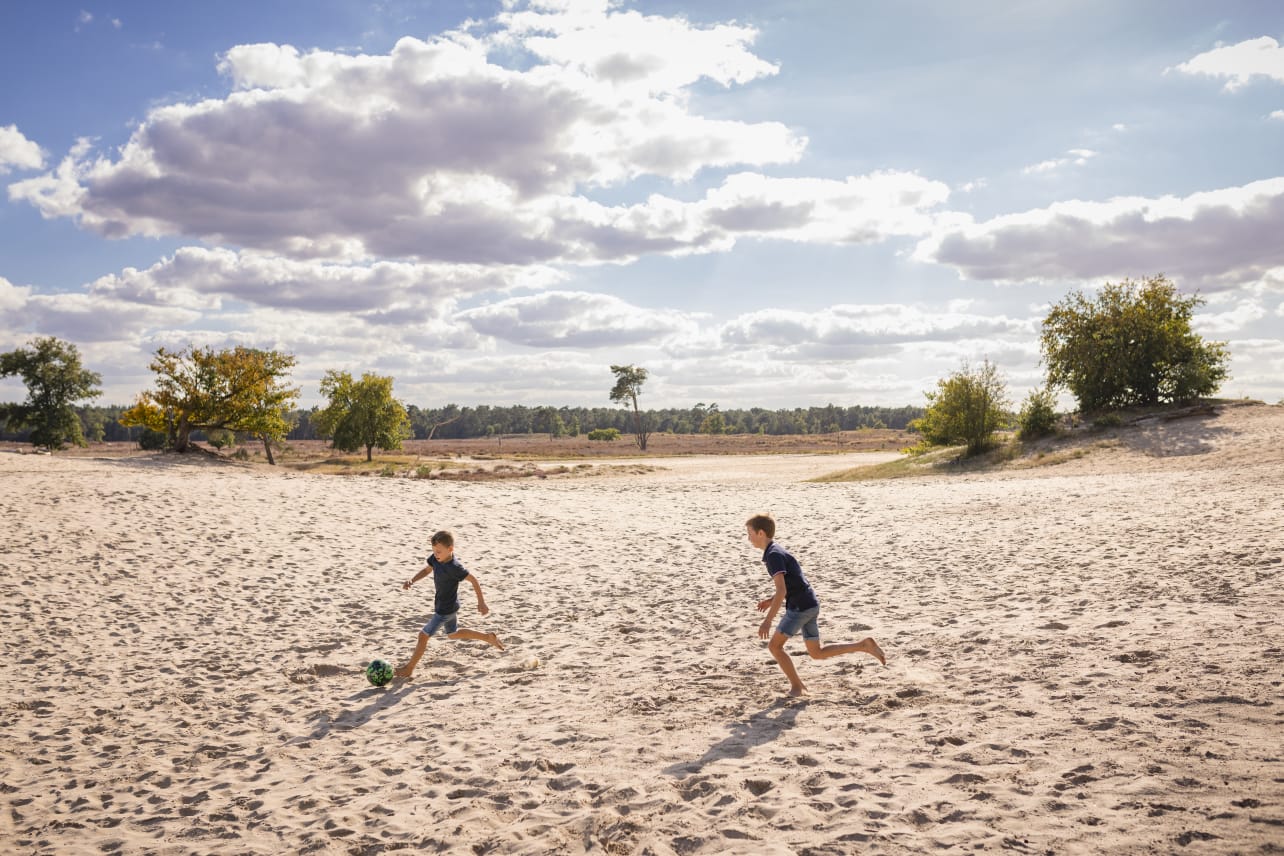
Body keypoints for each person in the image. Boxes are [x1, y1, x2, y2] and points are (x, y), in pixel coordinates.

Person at [746, 513, 885, 697]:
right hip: (810, 603)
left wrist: (768, 620)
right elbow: (790, 584)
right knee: (816, 653)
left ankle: (798, 687)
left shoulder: (773, 555)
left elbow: (782, 591)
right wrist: (771, 601)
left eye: (750, 533)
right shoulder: (776, 551)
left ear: (761, 533)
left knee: (774, 647)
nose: (748, 538)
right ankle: (863, 645)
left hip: (800, 608)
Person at [394, 530, 504, 679]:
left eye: (439, 551)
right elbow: (427, 570)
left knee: (423, 636)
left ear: (450, 549)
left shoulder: (455, 567)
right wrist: (412, 580)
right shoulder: (436, 559)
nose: (436, 554)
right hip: (449, 606)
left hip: (444, 610)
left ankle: (409, 669)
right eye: (434, 551)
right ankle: (487, 638)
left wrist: (481, 602)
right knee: (453, 634)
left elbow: (474, 580)